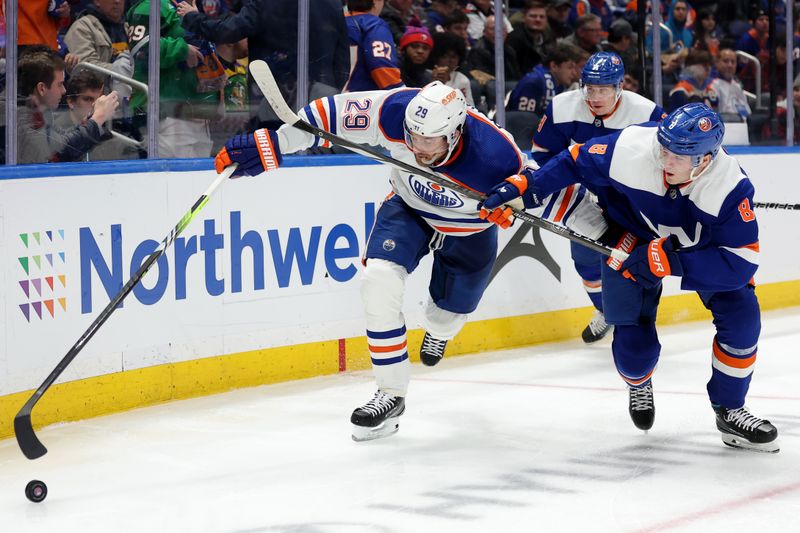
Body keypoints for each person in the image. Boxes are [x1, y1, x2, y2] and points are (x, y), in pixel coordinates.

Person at [212, 81, 540, 441]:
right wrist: (276, 142)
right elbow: (327, 116)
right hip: (408, 209)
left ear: (455, 131)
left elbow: (543, 185)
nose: (417, 148)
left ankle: (439, 332)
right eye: (412, 137)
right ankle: (391, 394)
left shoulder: (496, 155)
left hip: (470, 231)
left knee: (444, 318)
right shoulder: (395, 109)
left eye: (428, 141)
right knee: (377, 281)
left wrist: (520, 202)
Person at [480, 102, 779, 453]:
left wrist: (665, 261)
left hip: (696, 252)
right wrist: (525, 189)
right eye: (664, 149)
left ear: (706, 159)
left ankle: (730, 411)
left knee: (743, 320)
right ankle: (639, 382)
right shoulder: (633, 147)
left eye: (678, 157)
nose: (666, 161)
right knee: (634, 351)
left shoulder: (730, 187)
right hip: (629, 238)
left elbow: (740, 263)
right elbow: (574, 159)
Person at [531, 52, 666, 344]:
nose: (594, 96)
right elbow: (543, 156)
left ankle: (635, 323)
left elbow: (665, 159)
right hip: (585, 196)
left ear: (620, 88)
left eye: (603, 89)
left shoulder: (646, 113)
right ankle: (605, 311)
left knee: (634, 261)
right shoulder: (563, 107)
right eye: (589, 88)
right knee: (585, 259)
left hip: (629, 200)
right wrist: (571, 189)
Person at [17, 49, 120, 163]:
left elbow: (63, 139)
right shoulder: (17, 117)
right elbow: (63, 149)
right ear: (42, 88)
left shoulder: (40, 112)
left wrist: (91, 121)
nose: (64, 90)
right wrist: (98, 118)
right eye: (60, 84)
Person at [54, 70, 139, 160]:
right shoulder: (55, 131)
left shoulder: (106, 133)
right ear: (71, 102)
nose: (96, 105)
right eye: (88, 99)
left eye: (99, 100)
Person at [64, 0, 133, 100]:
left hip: (128, 97)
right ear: (97, 1)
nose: (117, 1)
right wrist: (124, 70)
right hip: (96, 101)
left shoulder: (128, 27)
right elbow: (84, 70)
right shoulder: (81, 28)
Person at [343, 0, 404, 92]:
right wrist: (403, 94)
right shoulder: (374, 25)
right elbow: (382, 68)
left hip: (329, 98)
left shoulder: (337, 21)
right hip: (359, 100)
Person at [506, 42, 578, 116]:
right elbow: (523, 119)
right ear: (554, 66)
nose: (574, 73)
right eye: (570, 67)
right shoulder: (533, 83)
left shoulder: (559, 86)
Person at [507, 0, 557, 75]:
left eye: (542, 17)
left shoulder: (550, 38)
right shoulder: (514, 39)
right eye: (533, 16)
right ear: (524, 18)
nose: (538, 20)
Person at [429, 32, 474, 105]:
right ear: (436, 56)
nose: (450, 61)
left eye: (453, 57)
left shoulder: (462, 80)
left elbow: (470, 109)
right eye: (444, 56)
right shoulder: (426, 75)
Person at [708, 46, 750, 120]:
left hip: (741, 125)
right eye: (725, 61)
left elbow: (746, 112)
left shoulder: (737, 85)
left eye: (733, 62)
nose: (730, 65)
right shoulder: (712, 85)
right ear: (717, 63)